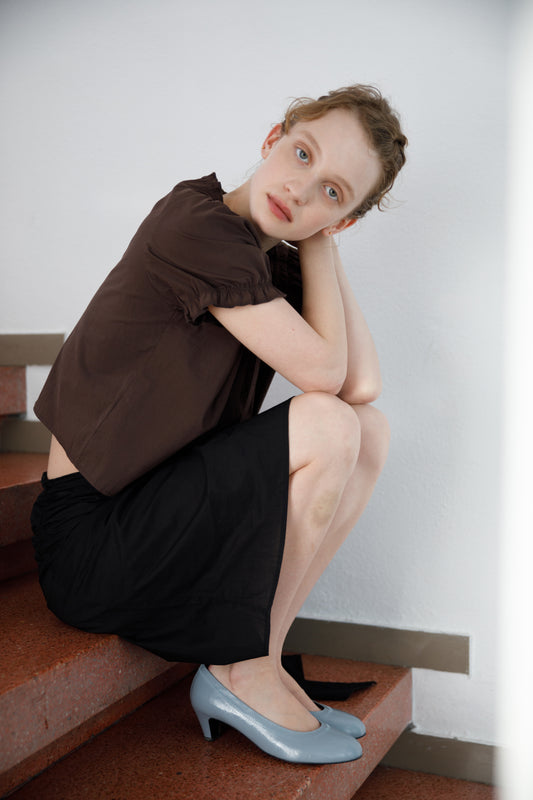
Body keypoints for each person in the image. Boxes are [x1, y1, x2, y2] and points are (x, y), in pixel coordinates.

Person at [31, 85, 407, 765]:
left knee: (366, 429)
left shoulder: (270, 260)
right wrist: (321, 222)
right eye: (301, 154)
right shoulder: (194, 225)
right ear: (272, 136)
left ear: (343, 220)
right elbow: (325, 381)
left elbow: (361, 385)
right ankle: (243, 667)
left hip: (163, 521)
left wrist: (320, 244)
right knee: (326, 423)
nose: (299, 189)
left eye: (331, 192)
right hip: (93, 542)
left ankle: (256, 661)